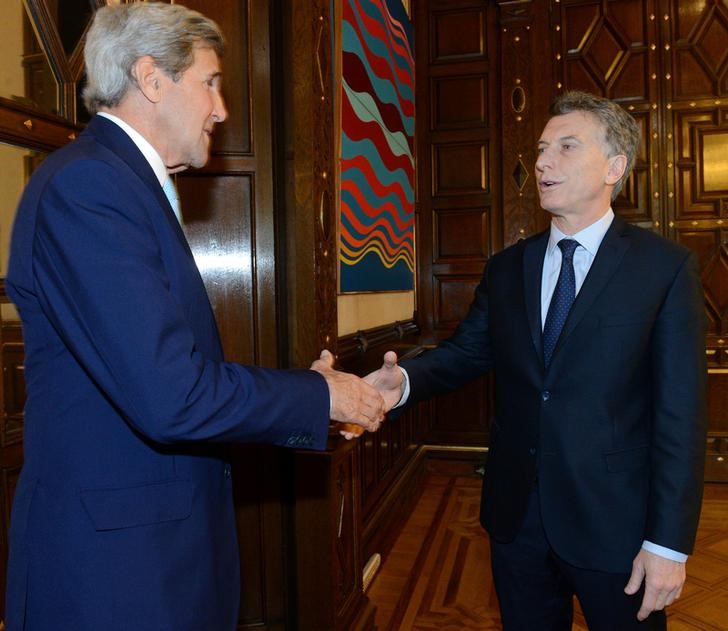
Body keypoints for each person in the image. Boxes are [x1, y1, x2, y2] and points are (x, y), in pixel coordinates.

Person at [4, 3, 384, 630]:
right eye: (210, 81)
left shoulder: (122, 183)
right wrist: (322, 397)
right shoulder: (90, 187)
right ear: (151, 78)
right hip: (116, 575)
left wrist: (317, 402)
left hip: (154, 555)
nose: (221, 108)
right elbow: (173, 394)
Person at [366, 91, 707, 630]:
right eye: (543, 148)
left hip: (615, 524)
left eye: (567, 147)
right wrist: (401, 381)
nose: (544, 161)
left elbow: (680, 418)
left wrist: (669, 543)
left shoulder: (663, 270)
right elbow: (467, 352)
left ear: (615, 166)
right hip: (516, 518)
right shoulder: (507, 268)